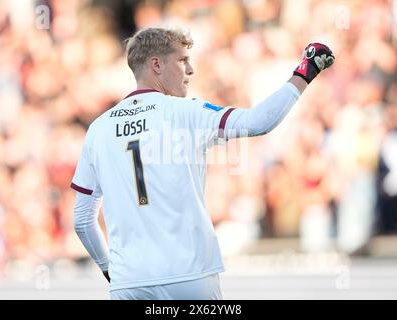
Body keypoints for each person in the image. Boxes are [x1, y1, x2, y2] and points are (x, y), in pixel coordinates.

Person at [71, 27, 334, 300]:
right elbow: (259, 122)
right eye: (183, 60)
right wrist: (305, 72)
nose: (191, 69)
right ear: (156, 65)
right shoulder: (186, 112)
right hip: (189, 274)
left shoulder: (98, 130)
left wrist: (108, 269)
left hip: (129, 282)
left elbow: (82, 220)